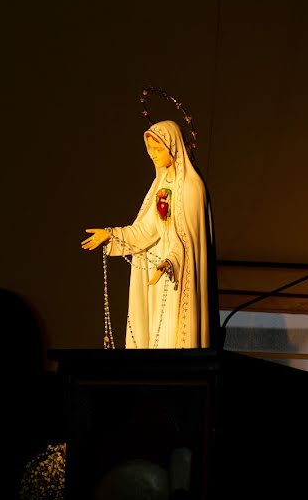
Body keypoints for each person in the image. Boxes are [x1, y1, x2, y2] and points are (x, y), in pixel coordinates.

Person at [82, 119, 217, 349]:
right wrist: (111, 235)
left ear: (173, 147)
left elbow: (188, 241)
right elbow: (148, 229)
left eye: (158, 149)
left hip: (178, 274)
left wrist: (170, 262)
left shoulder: (192, 188)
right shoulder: (161, 184)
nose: (153, 154)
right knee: (156, 334)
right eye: (150, 149)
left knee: (174, 334)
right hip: (159, 273)